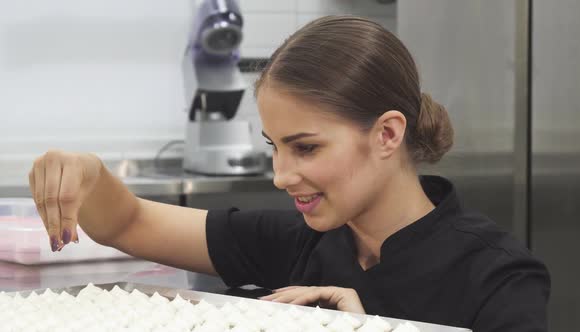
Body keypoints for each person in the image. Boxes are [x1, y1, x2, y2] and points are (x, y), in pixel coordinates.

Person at [28, 16, 549, 331]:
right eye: (275, 147)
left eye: (306, 147)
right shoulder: (303, 244)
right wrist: (89, 175)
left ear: (387, 134)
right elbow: (129, 223)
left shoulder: (497, 278)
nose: (281, 175)